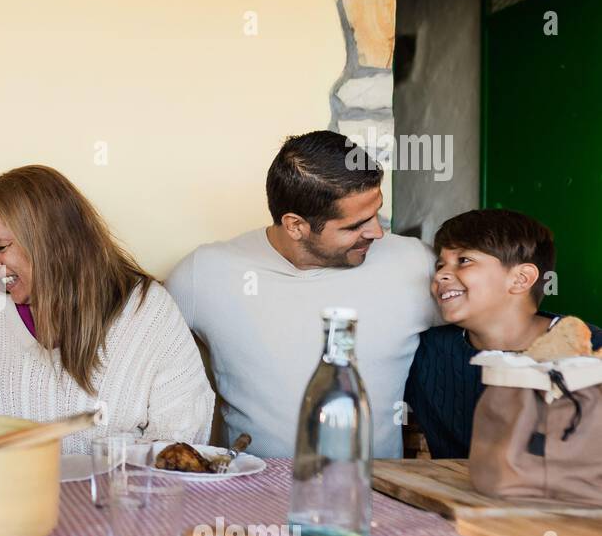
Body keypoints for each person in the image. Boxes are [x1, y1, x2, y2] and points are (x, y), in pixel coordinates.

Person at [167, 130, 438, 459]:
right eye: (355, 225)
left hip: (378, 497)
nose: (378, 232)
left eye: (377, 212)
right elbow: (146, 363)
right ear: (295, 225)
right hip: (252, 497)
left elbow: (495, 331)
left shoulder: (416, 264)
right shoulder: (203, 275)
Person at [0, 164, 214, 454]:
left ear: (50, 244)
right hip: (9, 493)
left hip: (114, 495)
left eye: (1, 247)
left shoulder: (146, 309)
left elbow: (182, 433)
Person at [405, 209, 602, 458]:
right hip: (452, 494)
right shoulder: (423, 353)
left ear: (521, 279)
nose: (441, 274)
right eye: (440, 264)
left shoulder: (591, 351)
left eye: (464, 260)